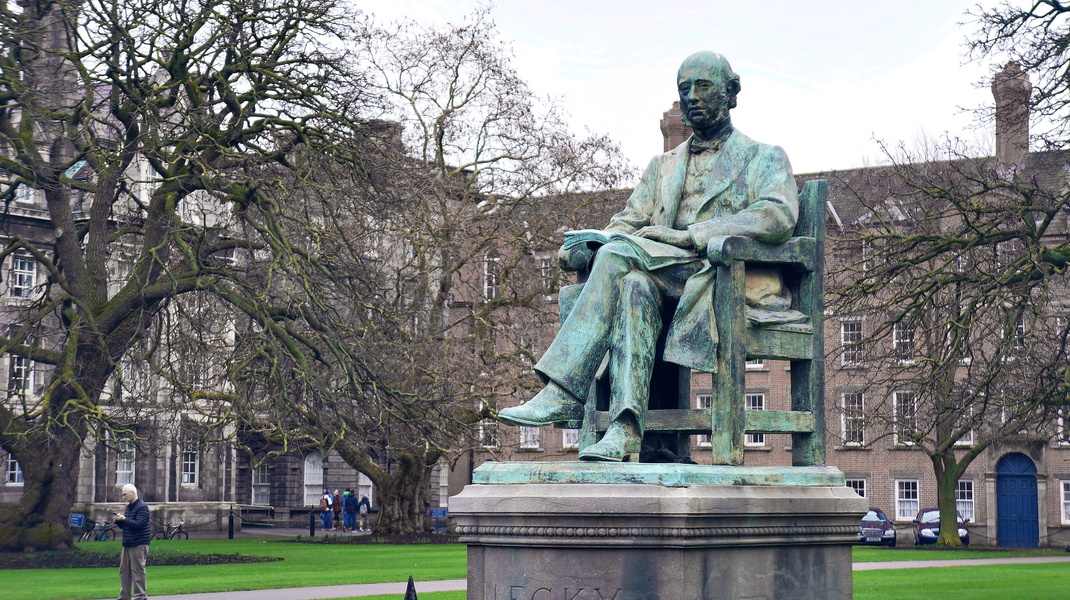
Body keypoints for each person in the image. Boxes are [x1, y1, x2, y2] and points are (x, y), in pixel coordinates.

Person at [498, 51, 798, 462]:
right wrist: (593, 242)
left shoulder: (764, 157)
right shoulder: (662, 167)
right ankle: (625, 429)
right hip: (661, 279)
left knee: (622, 257)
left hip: (721, 276)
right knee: (632, 281)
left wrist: (692, 235)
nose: (692, 96)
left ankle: (564, 389)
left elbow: (776, 215)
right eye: (683, 89)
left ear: (731, 92)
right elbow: (627, 221)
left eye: (703, 86)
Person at [113, 483, 150, 600]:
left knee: (137, 570)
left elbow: (140, 524)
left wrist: (125, 519)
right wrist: (119, 521)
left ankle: (141, 595)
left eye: (125, 494)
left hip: (139, 543)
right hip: (128, 542)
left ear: (132, 493)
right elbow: (127, 526)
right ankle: (125, 595)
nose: (123, 497)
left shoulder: (142, 506)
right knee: (124, 571)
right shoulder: (129, 507)